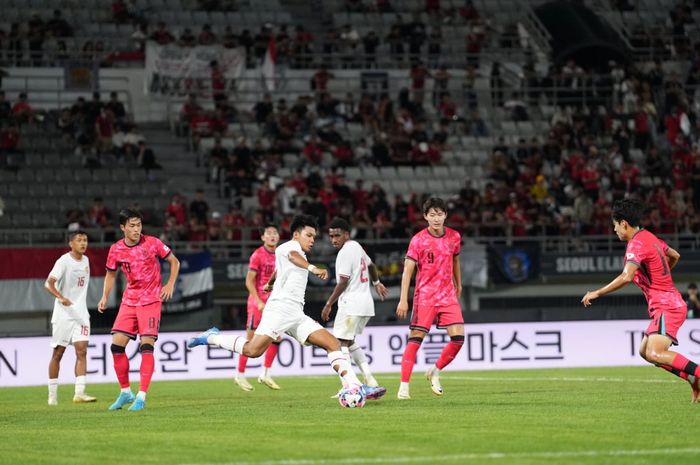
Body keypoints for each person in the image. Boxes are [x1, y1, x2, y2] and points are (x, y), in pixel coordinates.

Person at [188, 215, 386, 400]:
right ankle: (211, 337)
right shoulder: (289, 247)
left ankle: (354, 386)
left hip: (296, 313)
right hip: (280, 309)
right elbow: (292, 257)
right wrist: (313, 268)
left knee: (332, 343)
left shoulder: (297, 252)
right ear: (296, 234)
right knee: (253, 350)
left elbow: (278, 269)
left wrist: (271, 284)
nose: (312, 240)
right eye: (308, 235)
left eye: (314, 237)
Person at [582, 199, 700, 402]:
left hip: (667, 305)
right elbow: (675, 255)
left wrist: (597, 293)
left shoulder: (636, 244)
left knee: (655, 352)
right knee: (645, 352)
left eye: (615, 226)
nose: (615, 230)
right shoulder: (649, 237)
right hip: (666, 304)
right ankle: (693, 379)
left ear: (624, 223)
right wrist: (658, 277)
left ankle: (697, 375)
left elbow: (626, 277)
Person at [98, 208, 180, 411]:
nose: (136, 229)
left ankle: (141, 396)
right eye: (132, 226)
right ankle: (126, 392)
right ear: (122, 227)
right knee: (116, 347)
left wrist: (169, 284)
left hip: (151, 301)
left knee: (146, 347)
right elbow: (110, 275)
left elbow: (174, 261)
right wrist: (105, 297)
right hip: (129, 301)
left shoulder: (152, 243)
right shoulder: (116, 249)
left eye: (139, 225)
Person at [396, 197, 464, 400]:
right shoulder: (418, 240)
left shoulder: (454, 237)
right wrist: (403, 299)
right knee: (415, 340)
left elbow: (455, 260)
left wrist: (458, 284)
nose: (436, 218)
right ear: (425, 217)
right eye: (432, 215)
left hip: (447, 295)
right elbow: (407, 271)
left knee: (458, 338)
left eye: (440, 214)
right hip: (424, 297)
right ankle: (404, 387)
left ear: (445, 215)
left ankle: (435, 370)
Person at [321, 218, 388, 395]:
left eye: (337, 235)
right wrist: (377, 282)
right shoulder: (356, 246)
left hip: (351, 304)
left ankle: (351, 386)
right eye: (331, 236)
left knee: (338, 343)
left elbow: (343, 281)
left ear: (346, 234)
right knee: (349, 341)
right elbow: (371, 265)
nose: (334, 239)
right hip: (365, 304)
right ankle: (369, 378)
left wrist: (329, 304)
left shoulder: (344, 253)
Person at [44, 230, 97, 405]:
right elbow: (48, 283)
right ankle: (52, 396)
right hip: (63, 315)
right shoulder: (63, 261)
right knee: (58, 353)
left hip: (81, 314)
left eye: (85, 240)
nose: (83, 243)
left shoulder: (86, 261)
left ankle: (79, 393)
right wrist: (60, 297)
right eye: (79, 240)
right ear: (71, 243)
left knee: (82, 351)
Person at [236, 224, 282, 391]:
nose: (272, 236)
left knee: (277, 338)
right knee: (250, 341)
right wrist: (258, 300)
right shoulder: (257, 255)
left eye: (275, 233)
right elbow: (249, 281)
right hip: (258, 303)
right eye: (268, 233)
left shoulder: (280, 255)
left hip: (273, 303)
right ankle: (240, 375)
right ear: (263, 237)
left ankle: (265, 373)